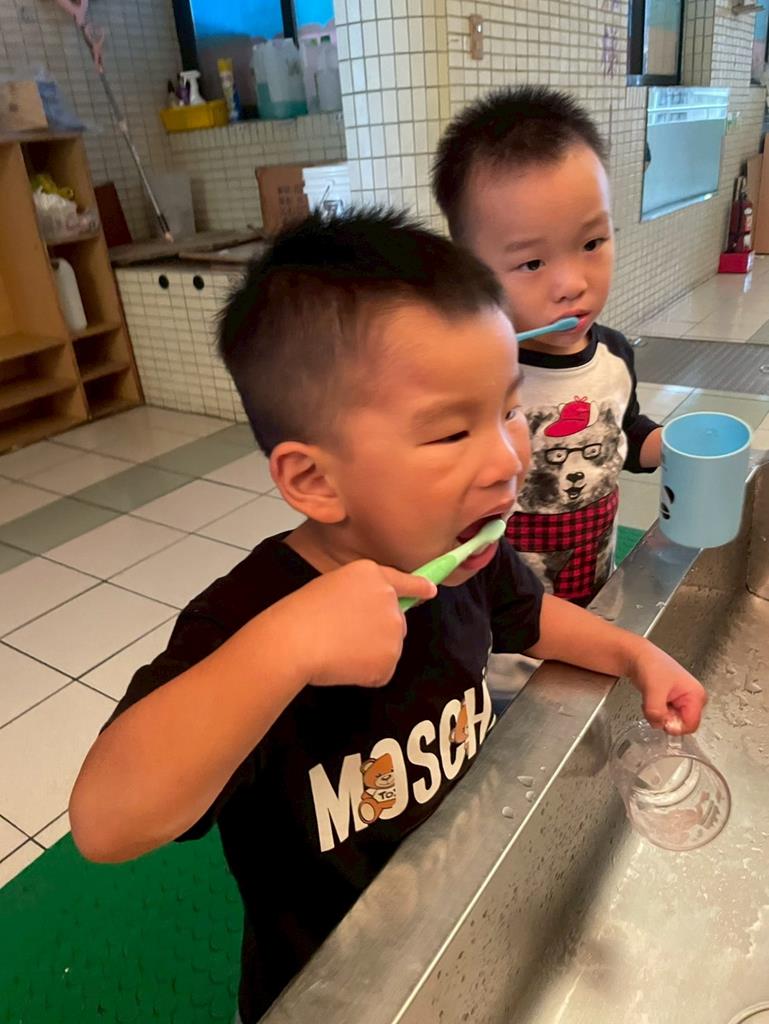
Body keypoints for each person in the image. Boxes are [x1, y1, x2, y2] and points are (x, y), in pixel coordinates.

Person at [69, 210, 705, 1024]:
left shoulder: (464, 554)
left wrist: (634, 656)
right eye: (449, 432)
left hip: (450, 918)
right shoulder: (248, 620)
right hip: (328, 985)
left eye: (509, 410)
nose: (507, 459)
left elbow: (531, 619)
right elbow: (106, 823)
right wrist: (285, 648)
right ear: (315, 481)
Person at [433, 85, 662, 605]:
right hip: (502, 622)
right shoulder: (475, 380)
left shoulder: (614, 355)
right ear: (469, 270)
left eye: (592, 243)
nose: (572, 285)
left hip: (596, 585)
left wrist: (666, 445)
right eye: (532, 263)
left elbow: (622, 433)